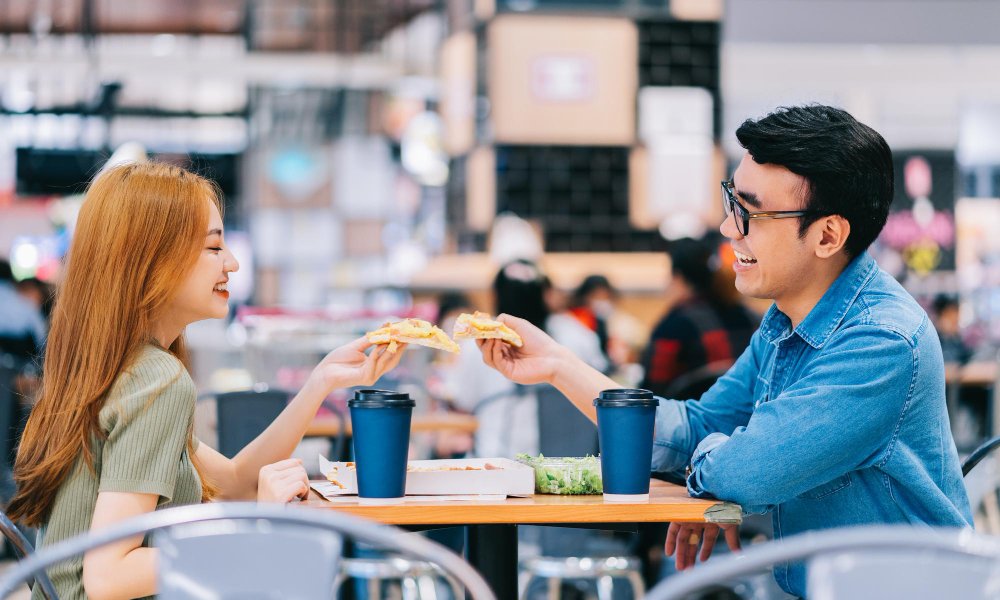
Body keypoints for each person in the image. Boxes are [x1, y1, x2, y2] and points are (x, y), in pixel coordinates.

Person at [474, 105, 973, 597]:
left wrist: (720, 471)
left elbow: (745, 472)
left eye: (750, 213)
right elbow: (691, 430)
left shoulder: (880, 341)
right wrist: (560, 366)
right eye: (731, 202)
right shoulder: (786, 321)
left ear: (827, 234)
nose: (729, 229)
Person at [6, 162, 405, 600]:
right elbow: (109, 576)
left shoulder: (115, 369)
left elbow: (235, 482)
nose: (231, 263)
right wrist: (253, 535)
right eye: (214, 247)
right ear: (152, 260)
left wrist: (320, 383)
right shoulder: (157, 382)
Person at [445, 260, 606, 458]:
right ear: (545, 295)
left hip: (494, 459)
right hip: (566, 464)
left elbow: (464, 399)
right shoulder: (576, 335)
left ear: (496, 296)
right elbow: (599, 377)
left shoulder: (477, 343)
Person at [639, 237, 759, 398]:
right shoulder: (751, 317)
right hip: (750, 417)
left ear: (678, 277)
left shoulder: (672, 326)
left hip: (689, 419)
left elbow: (652, 391)